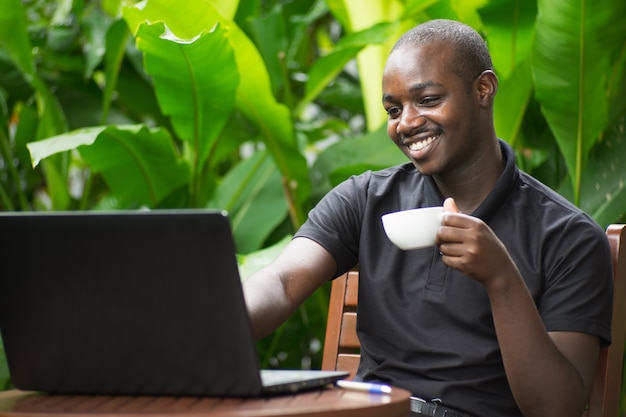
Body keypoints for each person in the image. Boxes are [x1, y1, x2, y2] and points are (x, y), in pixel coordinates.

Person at [243, 19, 613, 417]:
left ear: (483, 89)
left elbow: (556, 408)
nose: (406, 122)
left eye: (429, 99)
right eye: (393, 109)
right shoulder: (367, 198)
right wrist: (213, 324)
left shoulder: (567, 236)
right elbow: (281, 282)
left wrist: (501, 277)